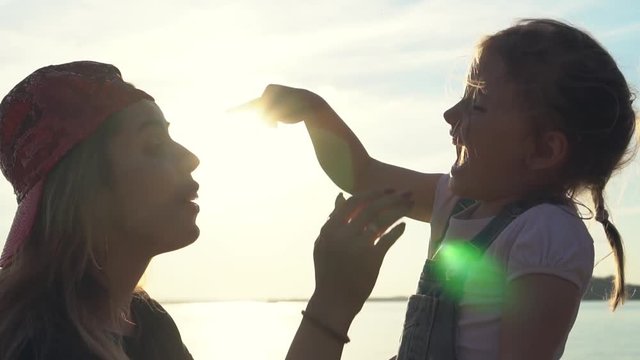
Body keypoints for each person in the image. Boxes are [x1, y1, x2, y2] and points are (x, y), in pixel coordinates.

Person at [249, 19, 636, 360]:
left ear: (543, 150)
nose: (450, 116)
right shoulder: (452, 202)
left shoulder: (547, 232)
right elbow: (360, 175)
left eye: (476, 103)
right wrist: (314, 112)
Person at [0, 61, 413, 359]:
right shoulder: (41, 346)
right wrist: (333, 304)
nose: (191, 157)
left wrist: (333, 301)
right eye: (154, 147)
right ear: (87, 191)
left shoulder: (145, 324)